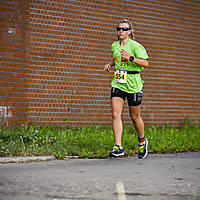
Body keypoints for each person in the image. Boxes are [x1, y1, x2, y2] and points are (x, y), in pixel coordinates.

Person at [104, 19, 149, 159]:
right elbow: (117, 58)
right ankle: (118, 146)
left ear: (129, 31)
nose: (120, 31)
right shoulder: (114, 45)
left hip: (133, 83)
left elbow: (145, 63)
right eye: (118, 29)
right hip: (118, 82)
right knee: (115, 114)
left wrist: (131, 58)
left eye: (123, 29)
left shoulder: (136, 46)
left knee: (135, 117)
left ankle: (142, 142)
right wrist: (110, 64)